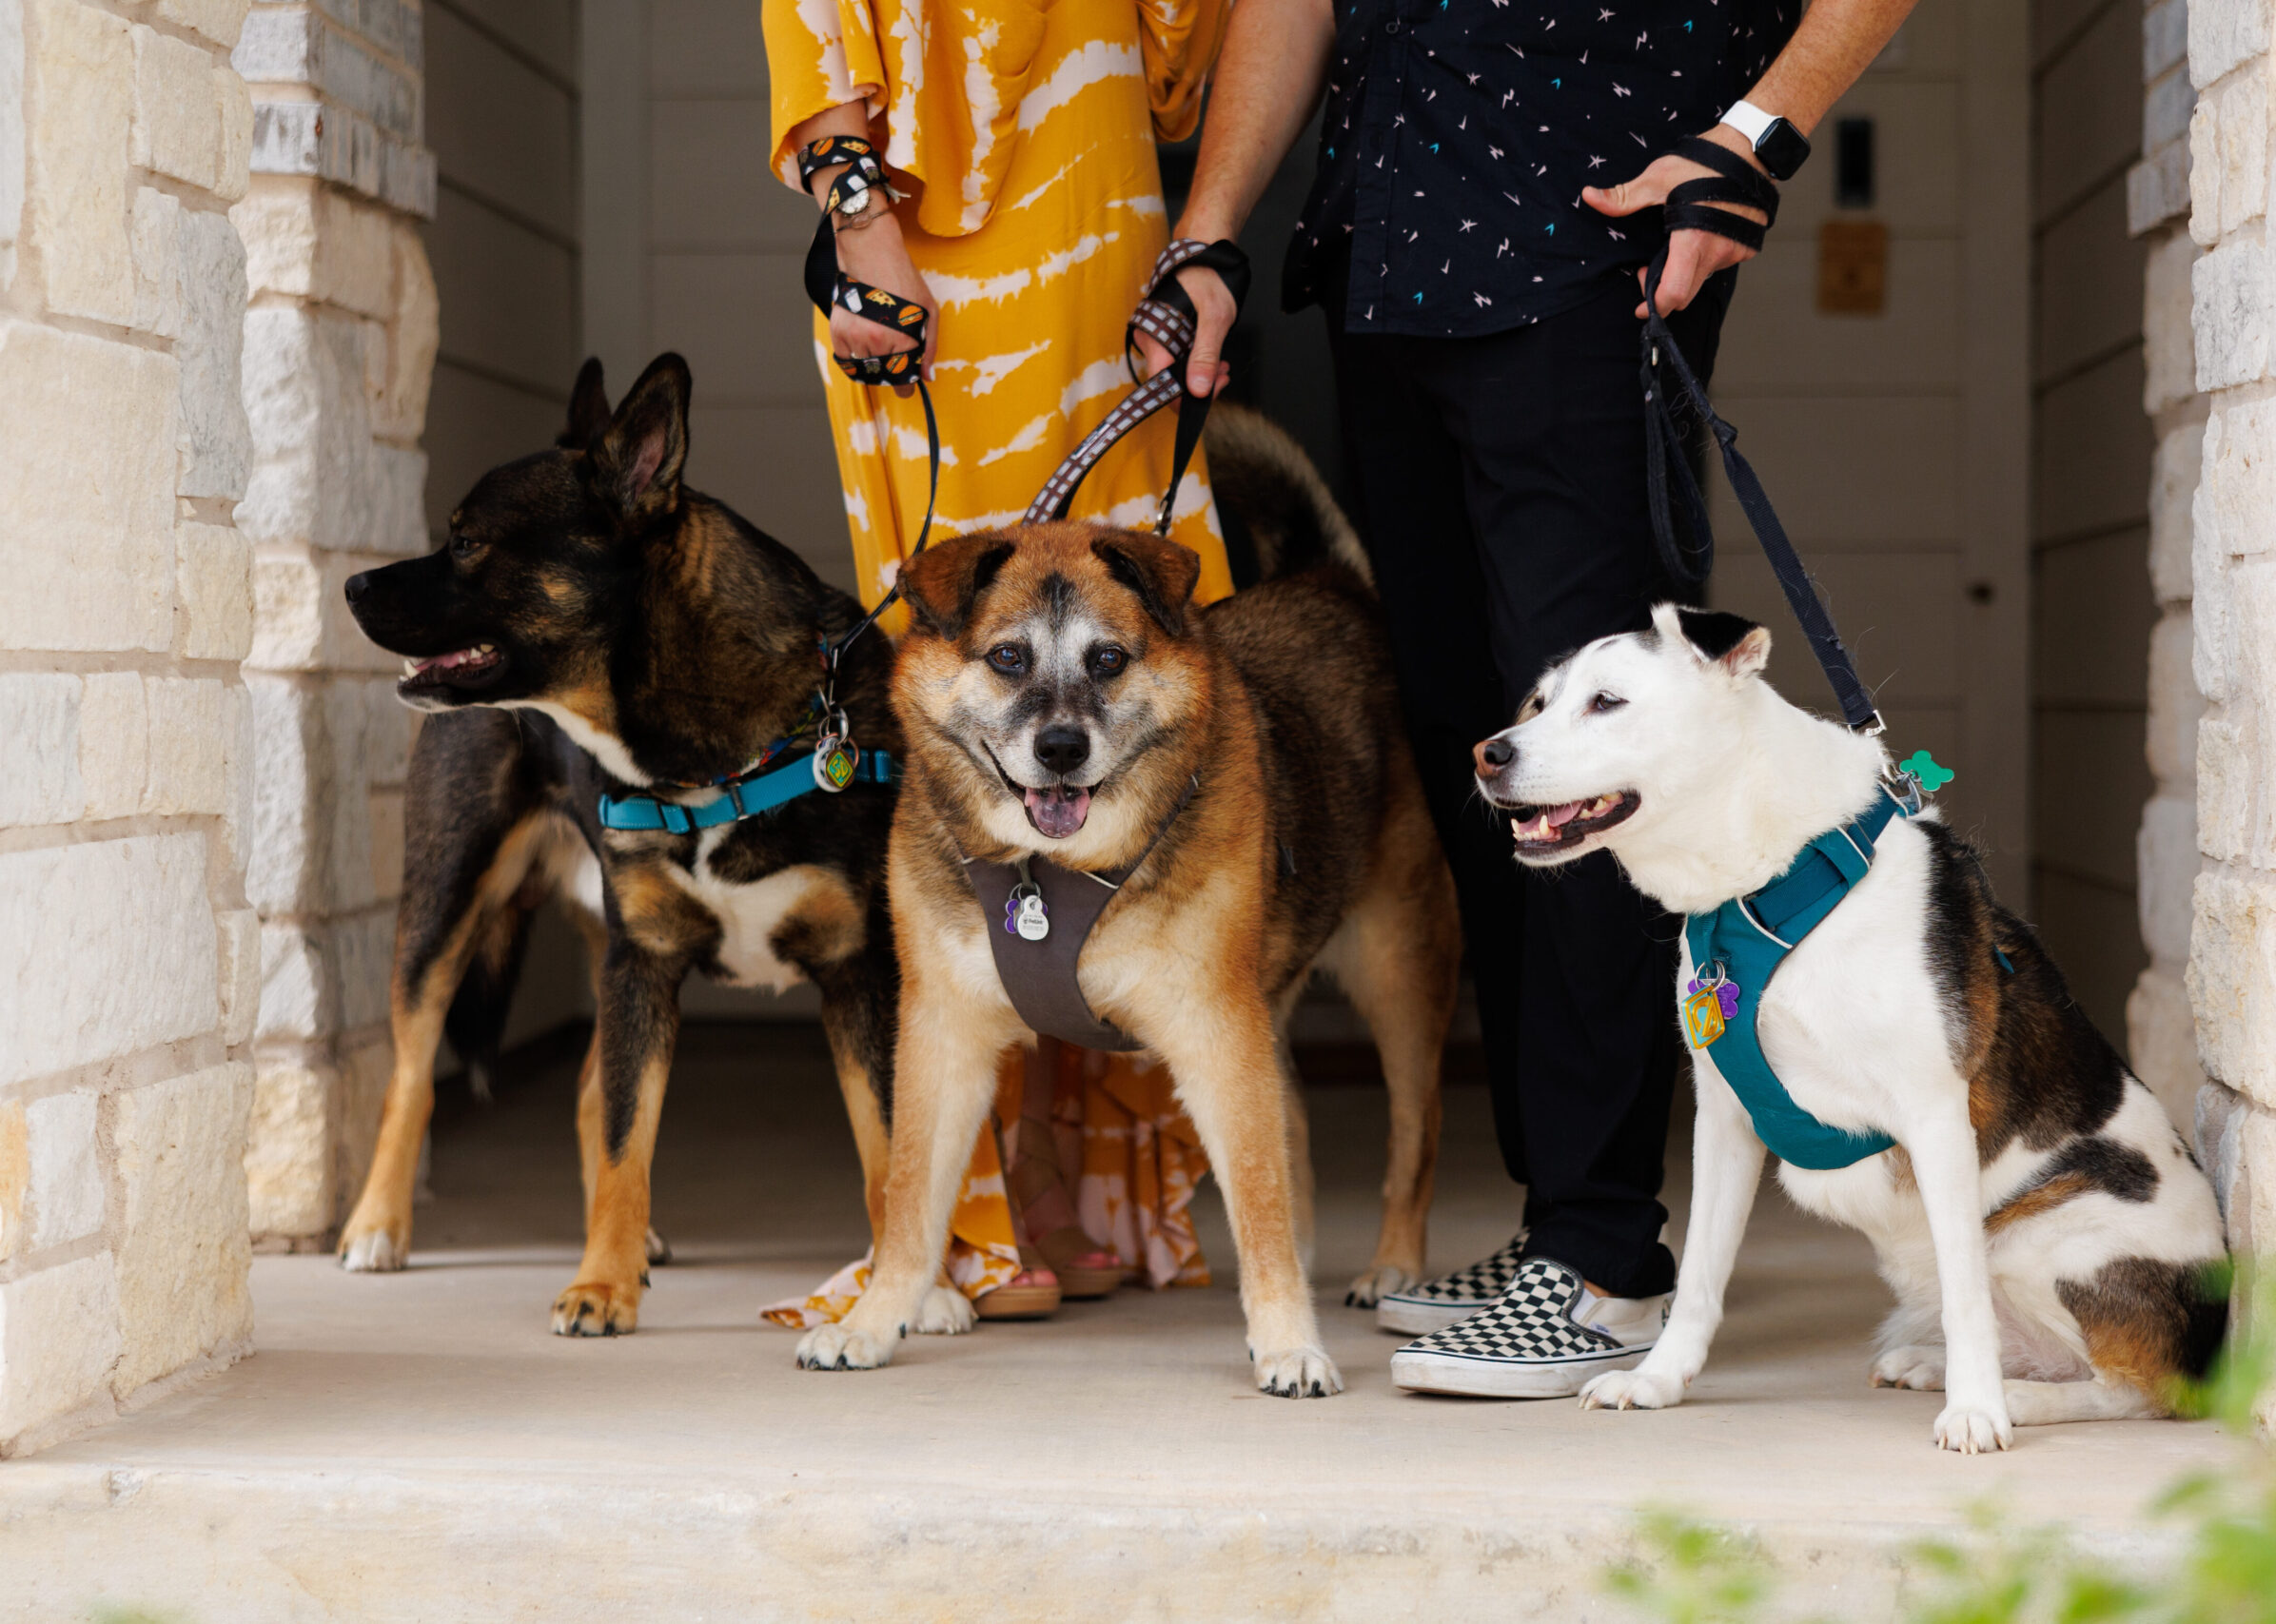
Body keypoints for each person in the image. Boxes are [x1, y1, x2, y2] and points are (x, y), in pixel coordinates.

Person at [1158, 0, 1918, 1396]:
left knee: (1595, 774)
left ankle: (1605, 1259)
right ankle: (1554, 1216)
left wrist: (1753, 134)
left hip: (1593, 250)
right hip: (1388, 261)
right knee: (1488, 759)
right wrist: (1211, 233)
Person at [758, 0, 1235, 1327]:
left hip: (1110, 218)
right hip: (936, 269)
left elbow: (1181, 62)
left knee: (1131, 672)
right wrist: (861, 222)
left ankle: (1070, 1182)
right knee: (977, 699)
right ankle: (972, 1214)